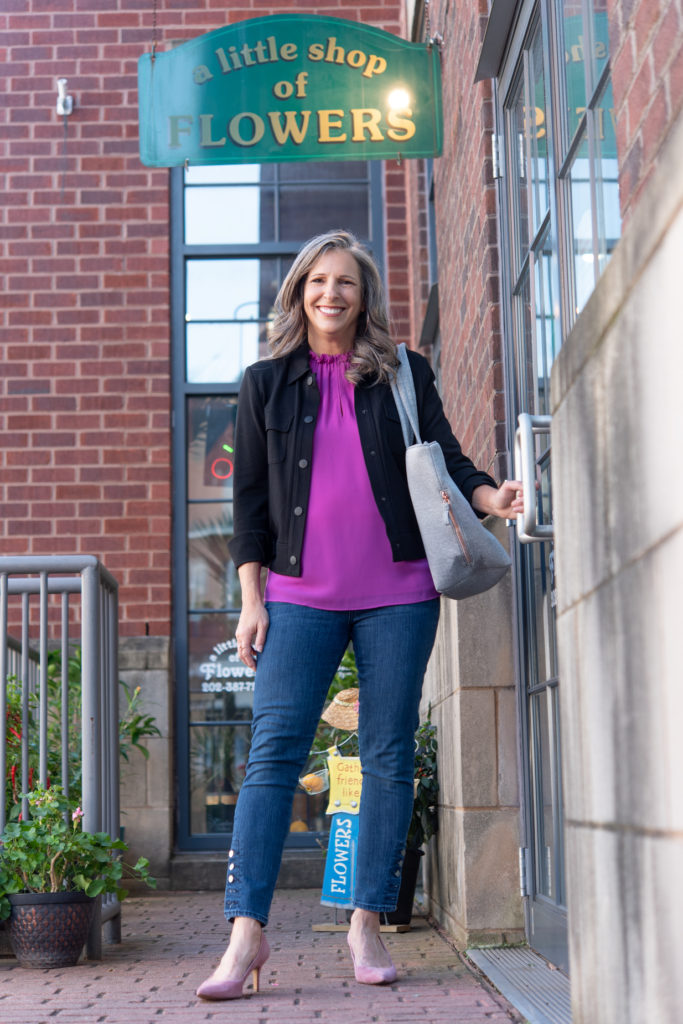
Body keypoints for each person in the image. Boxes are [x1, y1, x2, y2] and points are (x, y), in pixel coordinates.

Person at [196, 230, 524, 1000]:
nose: (330, 295)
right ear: (298, 292)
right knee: (272, 754)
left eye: (345, 282)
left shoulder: (402, 371)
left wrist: (488, 498)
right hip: (298, 595)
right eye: (317, 281)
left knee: (385, 753)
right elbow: (247, 505)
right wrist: (250, 601)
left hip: (399, 590)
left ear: (363, 294)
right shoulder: (264, 383)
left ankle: (366, 922)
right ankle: (245, 934)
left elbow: (445, 455)